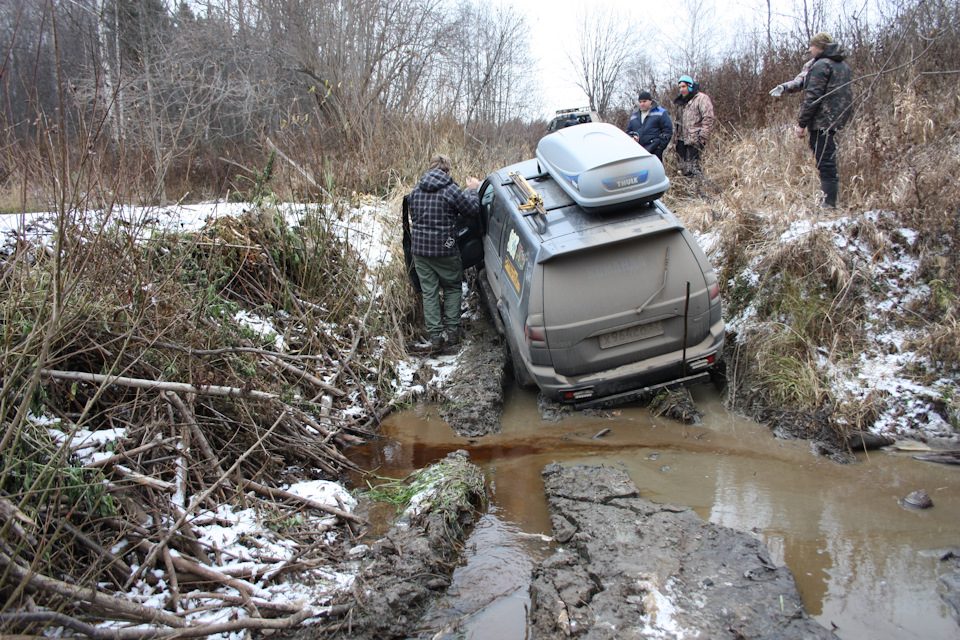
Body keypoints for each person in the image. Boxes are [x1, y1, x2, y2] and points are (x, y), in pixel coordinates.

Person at [408, 153, 481, 352]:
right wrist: (473, 191)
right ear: (447, 170)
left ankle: (435, 338)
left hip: (421, 251)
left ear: (430, 168)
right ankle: (453, 332)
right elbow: (472, 211)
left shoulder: (415, 191)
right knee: (452, 287)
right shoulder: (451, 190)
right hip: (446, 249)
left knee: (429, 293)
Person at [795, 33, 853, 208]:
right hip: (837, 120)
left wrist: (801, 124)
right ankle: (828, 201)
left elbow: (812, 97)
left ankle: (828, 204)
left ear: (820, 46)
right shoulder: (842, 65)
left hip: (822, 121)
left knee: (824, 160)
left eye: (812, 46)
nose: (810, 49)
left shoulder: (821, 65)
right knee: (828, 158)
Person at [672, 75, 715, 175]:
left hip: (694, 139)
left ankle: (701, 188)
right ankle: (688, 189)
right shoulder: (680, 102)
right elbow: (677, 121)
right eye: (680, 87)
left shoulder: (701, 98)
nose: (681, 89)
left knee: (694, 169)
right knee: (684, 169)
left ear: (690, 86)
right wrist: (675, 139)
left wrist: (702, 137)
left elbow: (708, 117)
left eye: (683, 86)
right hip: (681, 140)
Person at [625, 90, 673, 161]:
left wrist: (660, 147)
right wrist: (632, 138)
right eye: (640, 102)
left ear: (650, 101)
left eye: (644, 101)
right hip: (639, 151)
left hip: (654, 150)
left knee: (655, 172)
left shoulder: (661, 113)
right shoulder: (634, 116)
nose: (642, 104)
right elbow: (628, 132)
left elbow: (668, 130)